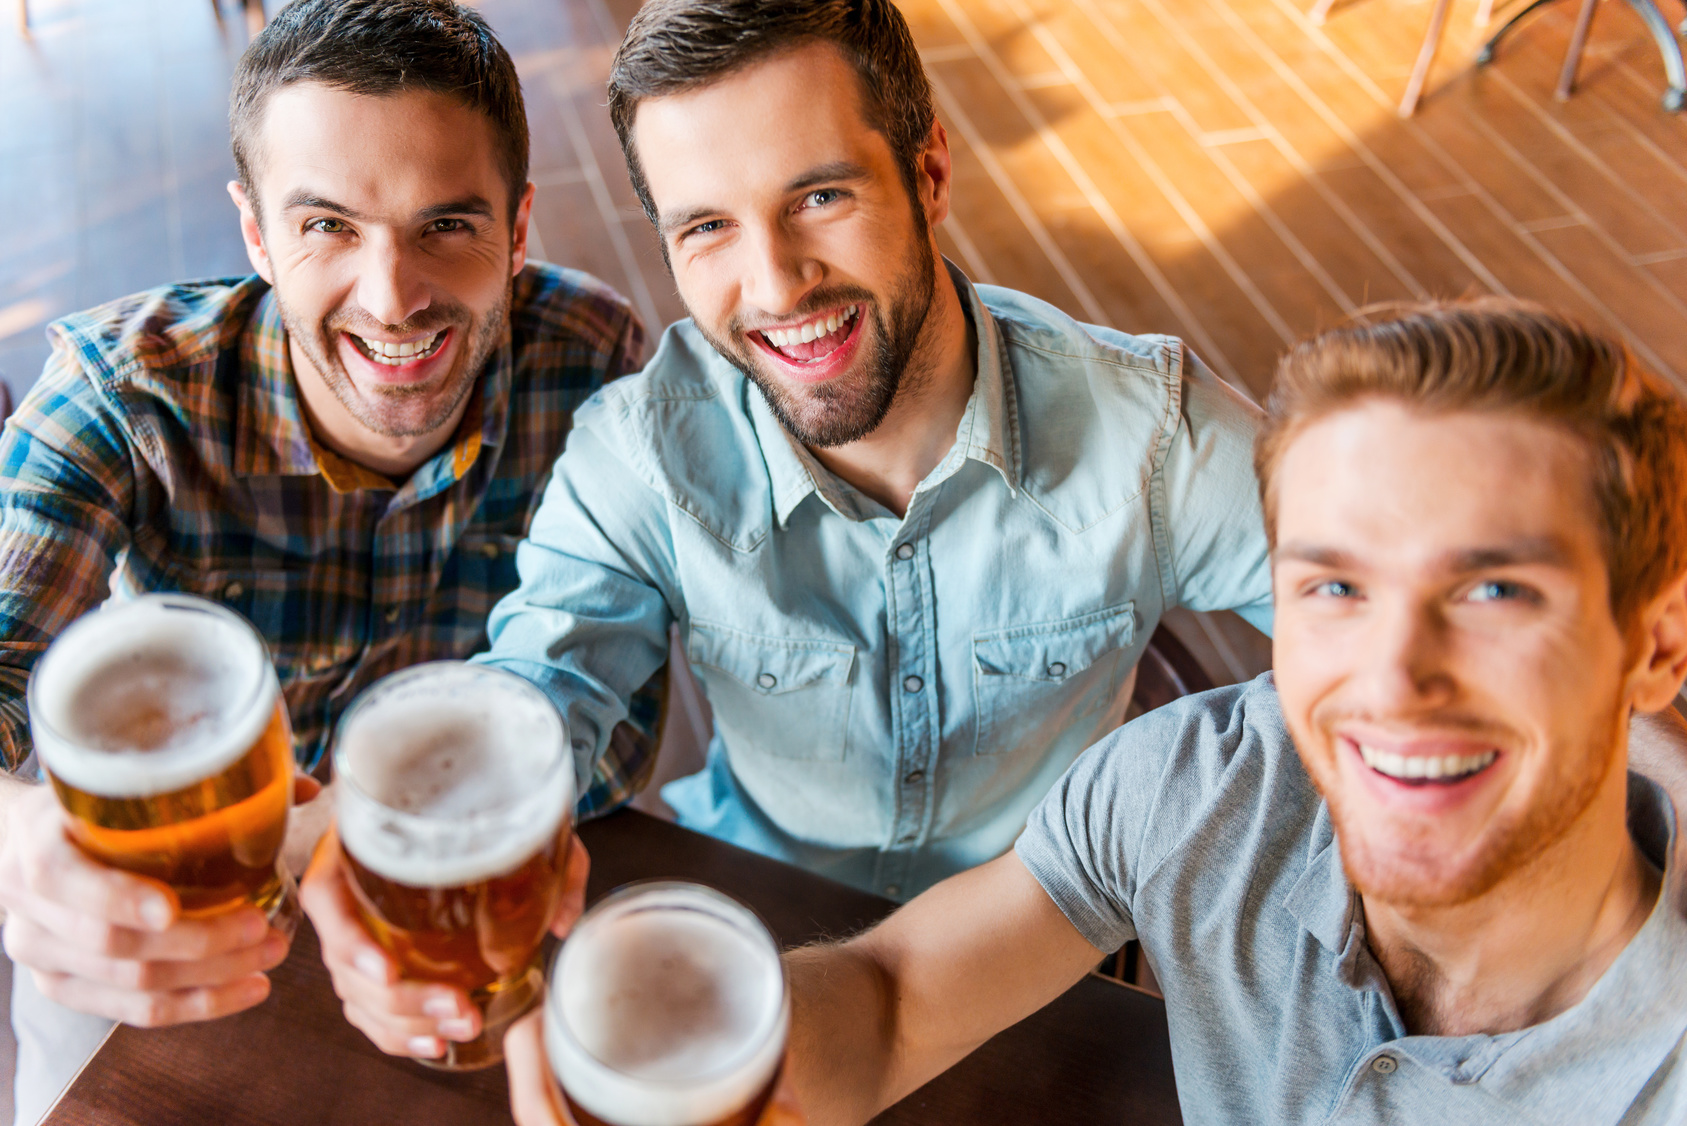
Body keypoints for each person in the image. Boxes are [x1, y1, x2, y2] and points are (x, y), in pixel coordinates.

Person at [299, 0, 1277, 1063]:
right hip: (746, 931)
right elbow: (544, 691)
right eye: (706, 226)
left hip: (1040, 959)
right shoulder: (640, 456)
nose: (771, 285)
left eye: (819, 196)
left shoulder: (1151, 430)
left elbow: (1390, 632)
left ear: (929, 173)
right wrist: (416, 852)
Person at [530, 299, 1687, 1126]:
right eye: (1335, 586)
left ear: (1656, 645)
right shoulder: (1198, 784)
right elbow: (894, 1002)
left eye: (1493, 591)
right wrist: (713, 1054)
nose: (1393, 675)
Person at [0, 0, 648, 1118]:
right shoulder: (120, 394)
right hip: (175, 902)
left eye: (447, 224)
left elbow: (621, 726)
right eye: (328, 227)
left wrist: (394, 836)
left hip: (479, 898)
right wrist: (15, 837)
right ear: (255, 234)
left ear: (520, 223)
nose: (393, 296)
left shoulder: (595, 361)